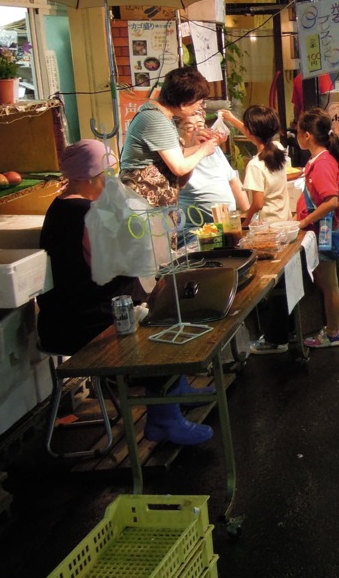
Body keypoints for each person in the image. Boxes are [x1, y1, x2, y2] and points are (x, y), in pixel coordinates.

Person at [38, 139, 212, 446]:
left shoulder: (59, 208)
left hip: (64, 314)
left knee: (162, 301)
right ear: (88, 177)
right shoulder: (87, 215)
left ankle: (177, 391)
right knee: (162, 321)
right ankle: (164, 420)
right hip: (86, 320)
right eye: (106, 174)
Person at [297, 108, 339, 348]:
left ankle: (333, 333)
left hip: (325, 231)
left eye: (298, 132)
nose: (296, 137)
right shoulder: (323, 159)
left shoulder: (321, 163)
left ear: (307, 135)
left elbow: (331, 201)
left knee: (329, 284)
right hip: (328, 229)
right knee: (328, 282)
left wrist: (303, 221)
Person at [120, 66, 218, 207]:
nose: (199, 108)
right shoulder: (156, 119)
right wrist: (204, 150)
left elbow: (177, 154)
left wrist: (201, 145)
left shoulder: (159, 115)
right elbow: (179, 167)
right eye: (198, 103)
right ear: (184, 104)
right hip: (143, 206)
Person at [221, 105, 290, 227]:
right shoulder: (277, 148)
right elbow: (256, 136)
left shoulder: (255, 165)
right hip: (284, 221)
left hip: (268, 226)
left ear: (250, 131)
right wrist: (232, 119)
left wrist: (246, 222)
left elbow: (258, 203)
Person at [176, 113, 249, 221]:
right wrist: (199, 148)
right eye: (190, 128)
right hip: (197, 227)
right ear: (178, 133)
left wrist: (248, 213)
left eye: (200, 126)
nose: (197, 131)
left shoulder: (214, 150)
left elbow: (233, 181)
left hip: (228, 222)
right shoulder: (176, 157)